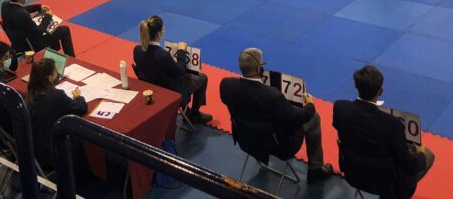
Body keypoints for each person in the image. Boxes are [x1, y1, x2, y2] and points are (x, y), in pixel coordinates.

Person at [220, 48, 334, 184]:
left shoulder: (226, 85)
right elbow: (296, 118)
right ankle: (315, 169)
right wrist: (310, 104)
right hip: (278, 146)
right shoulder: (272, 96)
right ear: (259, 68)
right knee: (314, 117)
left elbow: (248, 100)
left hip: (244, 139)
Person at [333, 65, 435, 199]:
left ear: (356, 86)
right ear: (380, 91)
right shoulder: (392, 125)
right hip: (386, 184)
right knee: (428, 155)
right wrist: (420, 154)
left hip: (352, 174)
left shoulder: (340, 108)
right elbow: (408, 164)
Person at [134, 15, 212, 124]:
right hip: (171, 93)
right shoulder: (162, 55)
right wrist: (181, 51)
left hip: (151, 90)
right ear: (159, 34)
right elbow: (181, 71)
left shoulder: (137, 50)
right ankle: (194, 114)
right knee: (202, 78)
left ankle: (187, 111)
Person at [27, 57, 88, 169]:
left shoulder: (30, 92)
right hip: (51, 153)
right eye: (55, 71)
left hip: (31, 149)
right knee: (79, 136)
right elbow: (81, 108)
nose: (57, 74)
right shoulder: (57, 96)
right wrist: (78, 97)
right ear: (50, 77)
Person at [0, 0, 76, 56]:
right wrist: (48, 16)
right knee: (64, 30)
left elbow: (20, 9)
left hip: (17, 43)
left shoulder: (5, 5)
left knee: (53, 30)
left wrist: (38, 7)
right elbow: (39, 32)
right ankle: (71, 59)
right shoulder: (23, 15)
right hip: (31, 45)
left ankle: (52, 53)